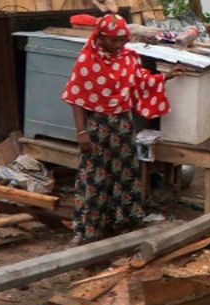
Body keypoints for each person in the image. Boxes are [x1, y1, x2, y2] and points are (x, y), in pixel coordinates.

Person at [61, 14, 181, 242]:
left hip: (123, 125)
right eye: (113, 40)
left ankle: (122, 223)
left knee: (124, 174)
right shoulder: (87, 61)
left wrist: (165, 77)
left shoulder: (128, 58)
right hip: (96, 127)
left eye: (122, 40)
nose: (118, 45)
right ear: (100, 37)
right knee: (94, 177)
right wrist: (81, 132)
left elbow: (139, 82)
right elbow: (76, 98)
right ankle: (90, 229)